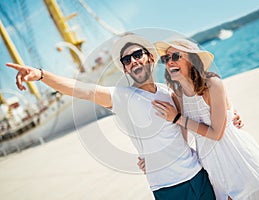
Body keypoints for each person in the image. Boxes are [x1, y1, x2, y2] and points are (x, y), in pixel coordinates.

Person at [6, 33, 218, 200]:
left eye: (137, 55)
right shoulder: (121, 97)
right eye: (127, 60)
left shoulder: (169, 92)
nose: (133, 61)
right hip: (168, 188)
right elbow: (81, 89)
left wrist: (232, 116)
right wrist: (42, 75)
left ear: (150, 58)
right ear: (125, 69)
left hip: (198, 174)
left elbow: (192, 121)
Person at [149, 38, 259, 199]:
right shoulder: (178, 96)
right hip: (215, 171)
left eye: (176, 56)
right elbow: (180, 141)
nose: (169, 62)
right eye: (166, 59)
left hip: (241, 163)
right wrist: (152, 158)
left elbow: (216, 134)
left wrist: (178, 118)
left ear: (192, 59)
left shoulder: (212, 84)